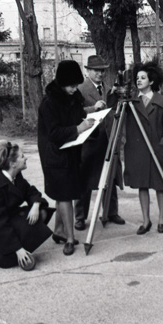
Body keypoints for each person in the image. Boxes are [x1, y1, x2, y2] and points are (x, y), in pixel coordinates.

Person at [38, 59, 95, 256]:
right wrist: (78, 128)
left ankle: (59, 231)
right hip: (54, 155)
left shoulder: (73, 97)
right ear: (62, 83)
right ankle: (70, 239)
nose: (74, 89)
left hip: (70, 151)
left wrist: (89, 121)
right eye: (71, 85)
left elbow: (78, 117)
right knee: (64, 195)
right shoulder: (49, 103)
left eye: (76, 85)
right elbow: (54, 133)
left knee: (63, 193)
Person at [0, 141, 53, 271]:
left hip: (4, 216)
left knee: (42, 212)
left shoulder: (15, 175)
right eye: (22, 156)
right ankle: (18, 251)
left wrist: (36, 205)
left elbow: (30, 192)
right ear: (13, 164)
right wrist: (17, 249)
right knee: (8, 259)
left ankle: (20, 249)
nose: (26, 158)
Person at [123, 61, 163, 235]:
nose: (138, 80)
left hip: (156, 150)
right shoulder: (131, 102)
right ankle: (145, 220)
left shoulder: (162, 102)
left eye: (143, 78)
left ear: (151, 81)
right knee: (142, 185)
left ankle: (161, 218)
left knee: (160, 184)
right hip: (138, 151)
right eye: (137, 78)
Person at [74, 55, 124, 231]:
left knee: (110, 176)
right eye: (96, 70)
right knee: (84, 179)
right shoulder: (80, 90)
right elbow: (74, 113)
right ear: (88, 71)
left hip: (107, 139)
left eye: (102, 70)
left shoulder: (109, 89)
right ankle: (80, 217)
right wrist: (92, 108)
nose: (100, 74)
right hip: (88, 141)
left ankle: (111, 212)